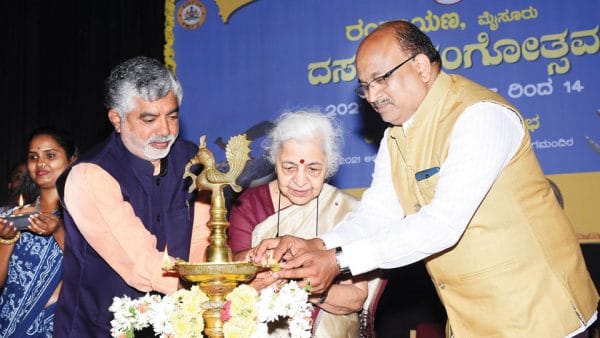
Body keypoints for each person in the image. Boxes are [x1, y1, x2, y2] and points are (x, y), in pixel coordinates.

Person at [253, 20, 599, 337]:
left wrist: (339, 261)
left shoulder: (480, 116)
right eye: (364, 87)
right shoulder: (395, 137)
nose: (372, 96)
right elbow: (378, 215)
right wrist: (319, 245)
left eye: (381, 79)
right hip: (469, 321)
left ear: (420, 66)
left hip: (539, 315)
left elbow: (442, 225)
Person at [53, 56, 211, 336]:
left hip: (181, 325)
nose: (165, 130)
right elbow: (142, 265)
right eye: (149, 119)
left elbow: (203, 239)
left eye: (172, 116)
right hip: (100, 329)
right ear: (117, 119)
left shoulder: (193, 160)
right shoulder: (89, 175)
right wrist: (217, 290)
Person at [229, 111, 381, 337]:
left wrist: (305, 287)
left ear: (328, 166)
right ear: (274, 161)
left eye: (313, 169)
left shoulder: (346, 211)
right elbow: (233, 285)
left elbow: (356, 298)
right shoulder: (249, 205)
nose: (300, 181)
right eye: (289, 168)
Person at [0, 127, 78, 337]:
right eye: (33, 157)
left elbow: (91, 269)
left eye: (50, 155)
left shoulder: (84, 217)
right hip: (8, 324)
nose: (40, 163)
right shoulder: (8, 216)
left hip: (56, 325)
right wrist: (6, 240)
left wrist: (59, 230)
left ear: (72, 159)